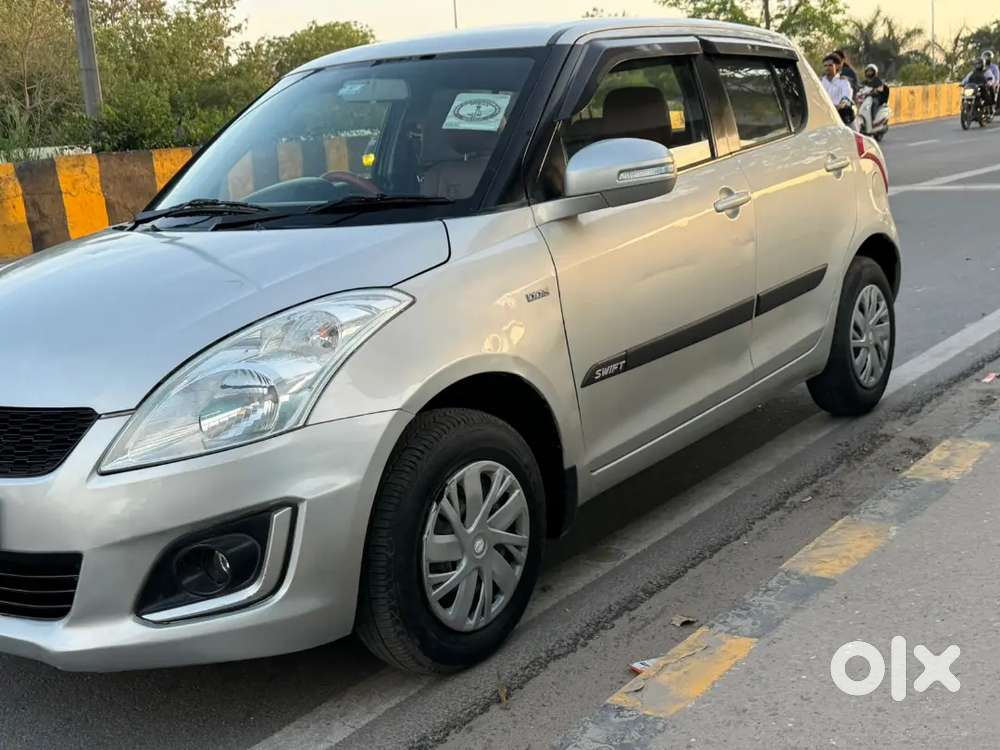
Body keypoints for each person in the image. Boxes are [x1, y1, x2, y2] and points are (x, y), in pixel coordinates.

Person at [821, 54, 855, 124]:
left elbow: (846, 98)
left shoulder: (843, 82)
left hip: (840, 116)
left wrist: (839, 106)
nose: (827, 68)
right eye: (825, 65)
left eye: (830, 65)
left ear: (837, 66)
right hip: (823, 115)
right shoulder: (820, 82)